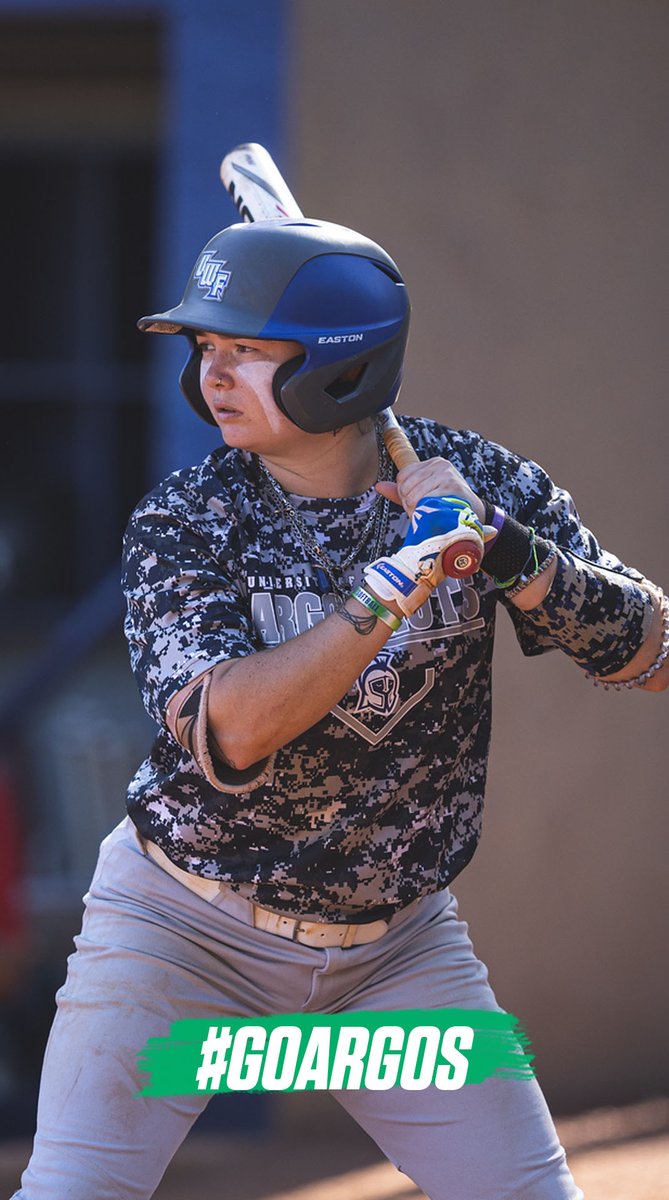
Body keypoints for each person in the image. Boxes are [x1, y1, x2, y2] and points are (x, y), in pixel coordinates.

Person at [13, 218, 667, 1200]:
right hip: (182, 930)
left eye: (247, 350)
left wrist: (510, 554)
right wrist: (391, 587)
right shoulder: (187, 520)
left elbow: (653, 653)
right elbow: (229, 730)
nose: (214, 374)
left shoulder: (475, 482)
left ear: (342, 370)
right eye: (206, 350)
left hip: (395, 956)